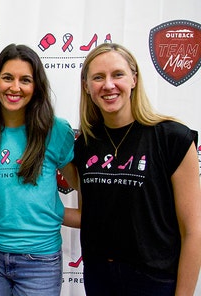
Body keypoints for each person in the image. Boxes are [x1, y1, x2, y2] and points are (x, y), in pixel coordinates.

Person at [71, 42, 201, 295]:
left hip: (154, 281)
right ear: (87, 87)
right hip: (99, 278)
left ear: (134, 79)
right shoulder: (85, 144)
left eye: (117, 74)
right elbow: (90, 216)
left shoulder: (172, 138)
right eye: (98, 77)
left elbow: (193, 231)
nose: (108, 85)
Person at [0, 43, 78, 296]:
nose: (15, 87)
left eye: (25, 80)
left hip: (40, 260)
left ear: (36, 87)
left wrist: (59, 213)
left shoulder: (56, 130)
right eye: (8, 77)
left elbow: (82, 185)